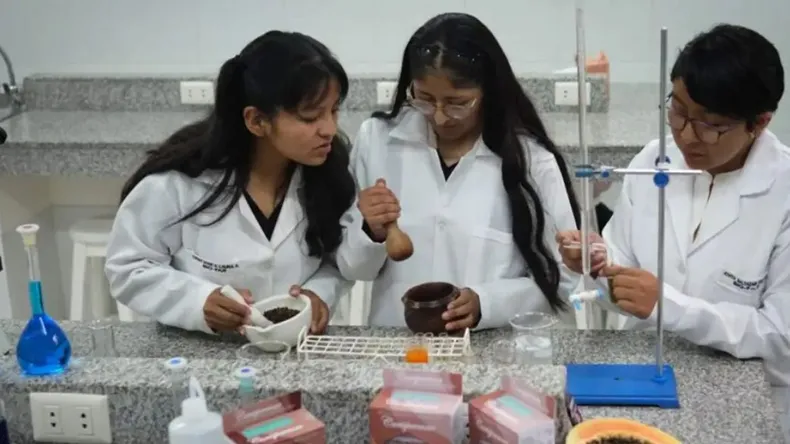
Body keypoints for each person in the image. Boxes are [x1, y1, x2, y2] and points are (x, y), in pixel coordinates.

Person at [556, 24, 790, 441]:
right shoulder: (654, 160)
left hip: (740, 401)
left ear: (760, 122)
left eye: (710, 125)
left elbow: (779, 337)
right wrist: (596, 264)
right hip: (639, 386)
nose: (685, 135)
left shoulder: (783, 192)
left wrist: (671, 307)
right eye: (678, 111)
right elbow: (620, 279)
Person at [338, 13, 581, 330]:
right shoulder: (378, 141)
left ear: (489, 92)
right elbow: (351, 268)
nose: (439, 117)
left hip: (493, 347)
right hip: (399, 343)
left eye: (457, 103)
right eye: (425, 99)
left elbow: (565, 278)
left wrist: (487, 303)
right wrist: (370, 232)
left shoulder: (532, 161)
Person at [104, 31, 356, 335]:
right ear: (257, 121)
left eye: (334, 110)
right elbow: (129, 267)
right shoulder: (180, 183)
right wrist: (197, 302)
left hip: (300, 345)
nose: (329, 129)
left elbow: (340, 260)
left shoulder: (330, 174)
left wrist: (319, 294)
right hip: (202, 350)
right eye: (311, 117)